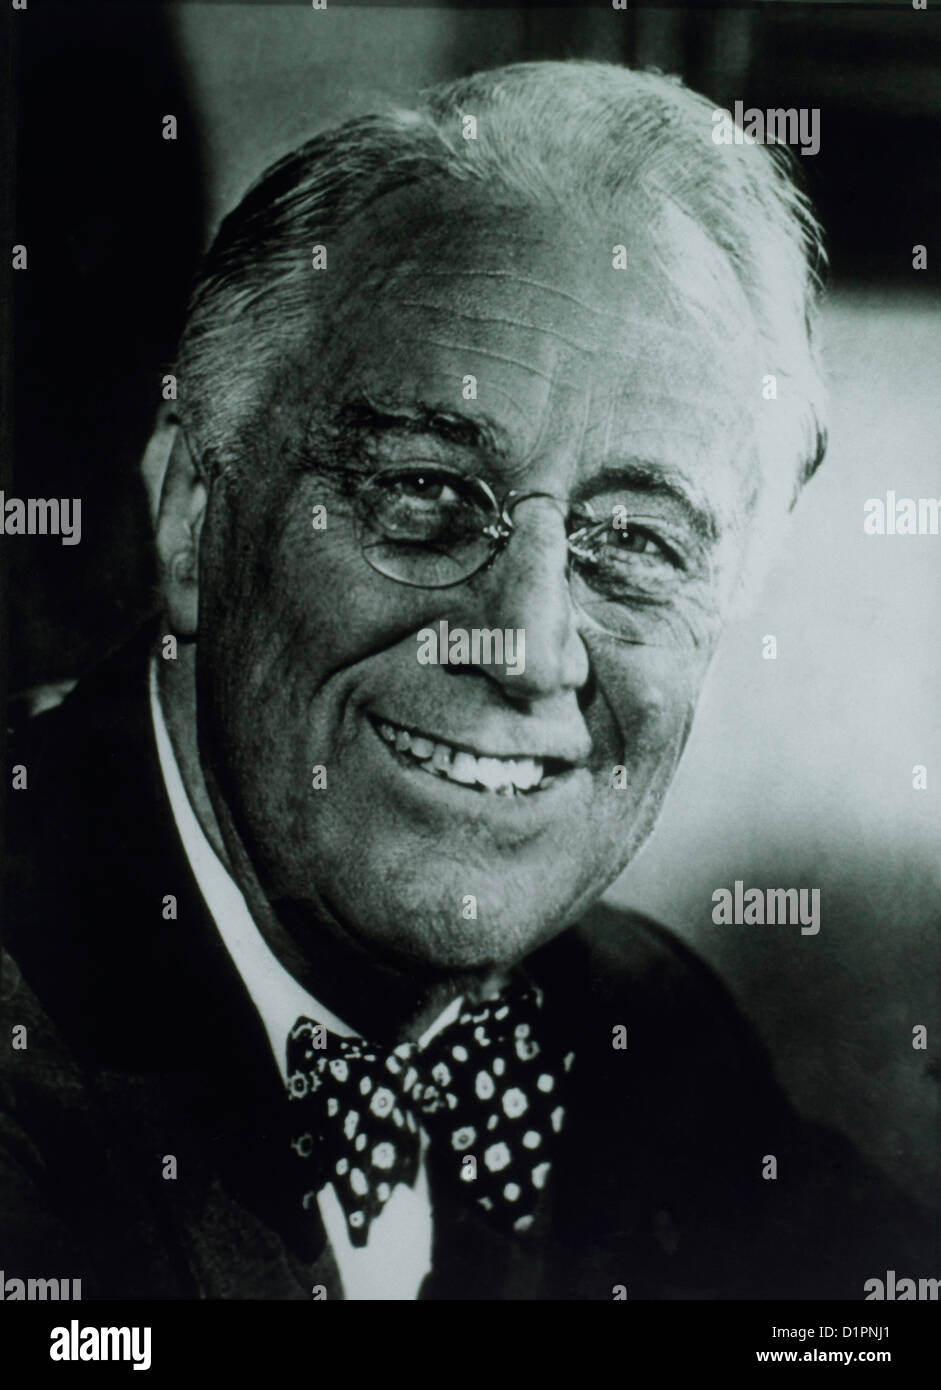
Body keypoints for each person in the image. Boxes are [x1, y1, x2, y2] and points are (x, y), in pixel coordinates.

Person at [0, 60, 926, 1301]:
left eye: (636, 544)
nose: (530, 647)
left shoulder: (643, 1029)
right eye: (424, 492)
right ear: (193, 518)